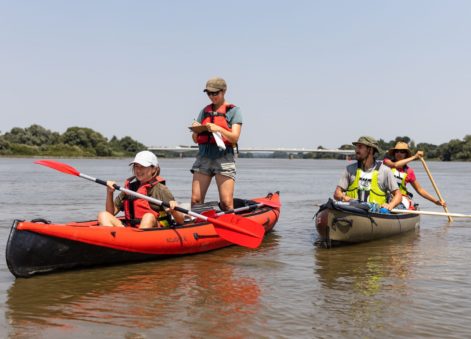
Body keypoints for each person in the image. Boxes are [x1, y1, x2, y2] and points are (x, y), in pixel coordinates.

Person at [190, 77, 242, 211]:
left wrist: (218, 128)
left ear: (224, 91)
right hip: (204, 157)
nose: (212, 96)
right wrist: (196, 129)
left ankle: (230, 227)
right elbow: (195, 139)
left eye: (215, 93)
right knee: (195, 200)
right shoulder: (204, 111)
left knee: (226, 203)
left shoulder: (234, 111)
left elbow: (235, 138)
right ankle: (198, 228)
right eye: (209, 93)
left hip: (224, 158)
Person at [98, 150, 184, 228]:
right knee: (103, 215)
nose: (138, 170)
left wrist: (174, 211)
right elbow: (111, 214)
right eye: (136, 166)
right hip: (130, 230)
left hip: (154, 229)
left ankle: (137, 241)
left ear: (154, 169)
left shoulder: (161, 189)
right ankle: (113, 242)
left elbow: (180, 221)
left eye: (143, 166)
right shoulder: (129, 188)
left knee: (148, 217)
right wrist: (109, 193)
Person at [334, 136, 402, 211]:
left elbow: (398, 195)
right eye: (356, 147)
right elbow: (337, 193)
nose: (356, 150)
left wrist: (390, 205)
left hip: (376, 215)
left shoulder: (385, 171)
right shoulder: (349, 169)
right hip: (352, 211)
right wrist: (344, 197)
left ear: (370, 150)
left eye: (360, 147)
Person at [383, 141, 446, 209]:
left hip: (402, 198)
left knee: (398, 207)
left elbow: (420, 190)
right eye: (397, 151)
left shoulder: (409, 172)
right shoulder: (387, 162)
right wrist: (414, 157)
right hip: (386, 195)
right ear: (394, 153)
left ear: (406, 155)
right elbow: (396, 165)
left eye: (402, 152)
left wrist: (435, 201)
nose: (399, 153)